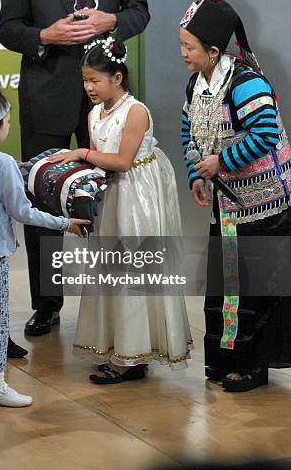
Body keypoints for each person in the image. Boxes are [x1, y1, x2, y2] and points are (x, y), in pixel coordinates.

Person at [0, 0, 150, 336]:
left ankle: (113, 299)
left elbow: (140, 11)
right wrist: (44, 35)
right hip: (45, 94)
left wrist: (112, 20)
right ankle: (48, 304)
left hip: (107, 98)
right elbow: (8, 28)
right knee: (42, 193)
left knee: (113, 194)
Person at [48, 36, 192, 383]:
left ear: (117, 77)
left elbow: (123, 161)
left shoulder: (135, 111)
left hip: (135, 197)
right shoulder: (95, 113)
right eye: (85, 80)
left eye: (95, 80)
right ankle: (121, 345)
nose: (89, 87)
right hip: (111, 195)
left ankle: (132, 356)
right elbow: (102, 162)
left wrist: (81, 154)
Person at [180, 0, 291, 391]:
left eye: (189, 46)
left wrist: (221, 163)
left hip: (265, 204)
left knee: (256, 289)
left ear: (212, 49)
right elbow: (188, 132)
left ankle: (252, 367)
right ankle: (226, 361)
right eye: (181, 45)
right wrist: (196, 173)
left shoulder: (246, 83)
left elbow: (265, 132)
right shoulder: (197, 85)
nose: (183, 53)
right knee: (227, 286)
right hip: (227, 205)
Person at [0, 88, 89, 407]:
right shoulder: (2, 165)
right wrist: (64, 223)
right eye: (7, 121)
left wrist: (13, 167)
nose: (10, 126)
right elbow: (22, 211)